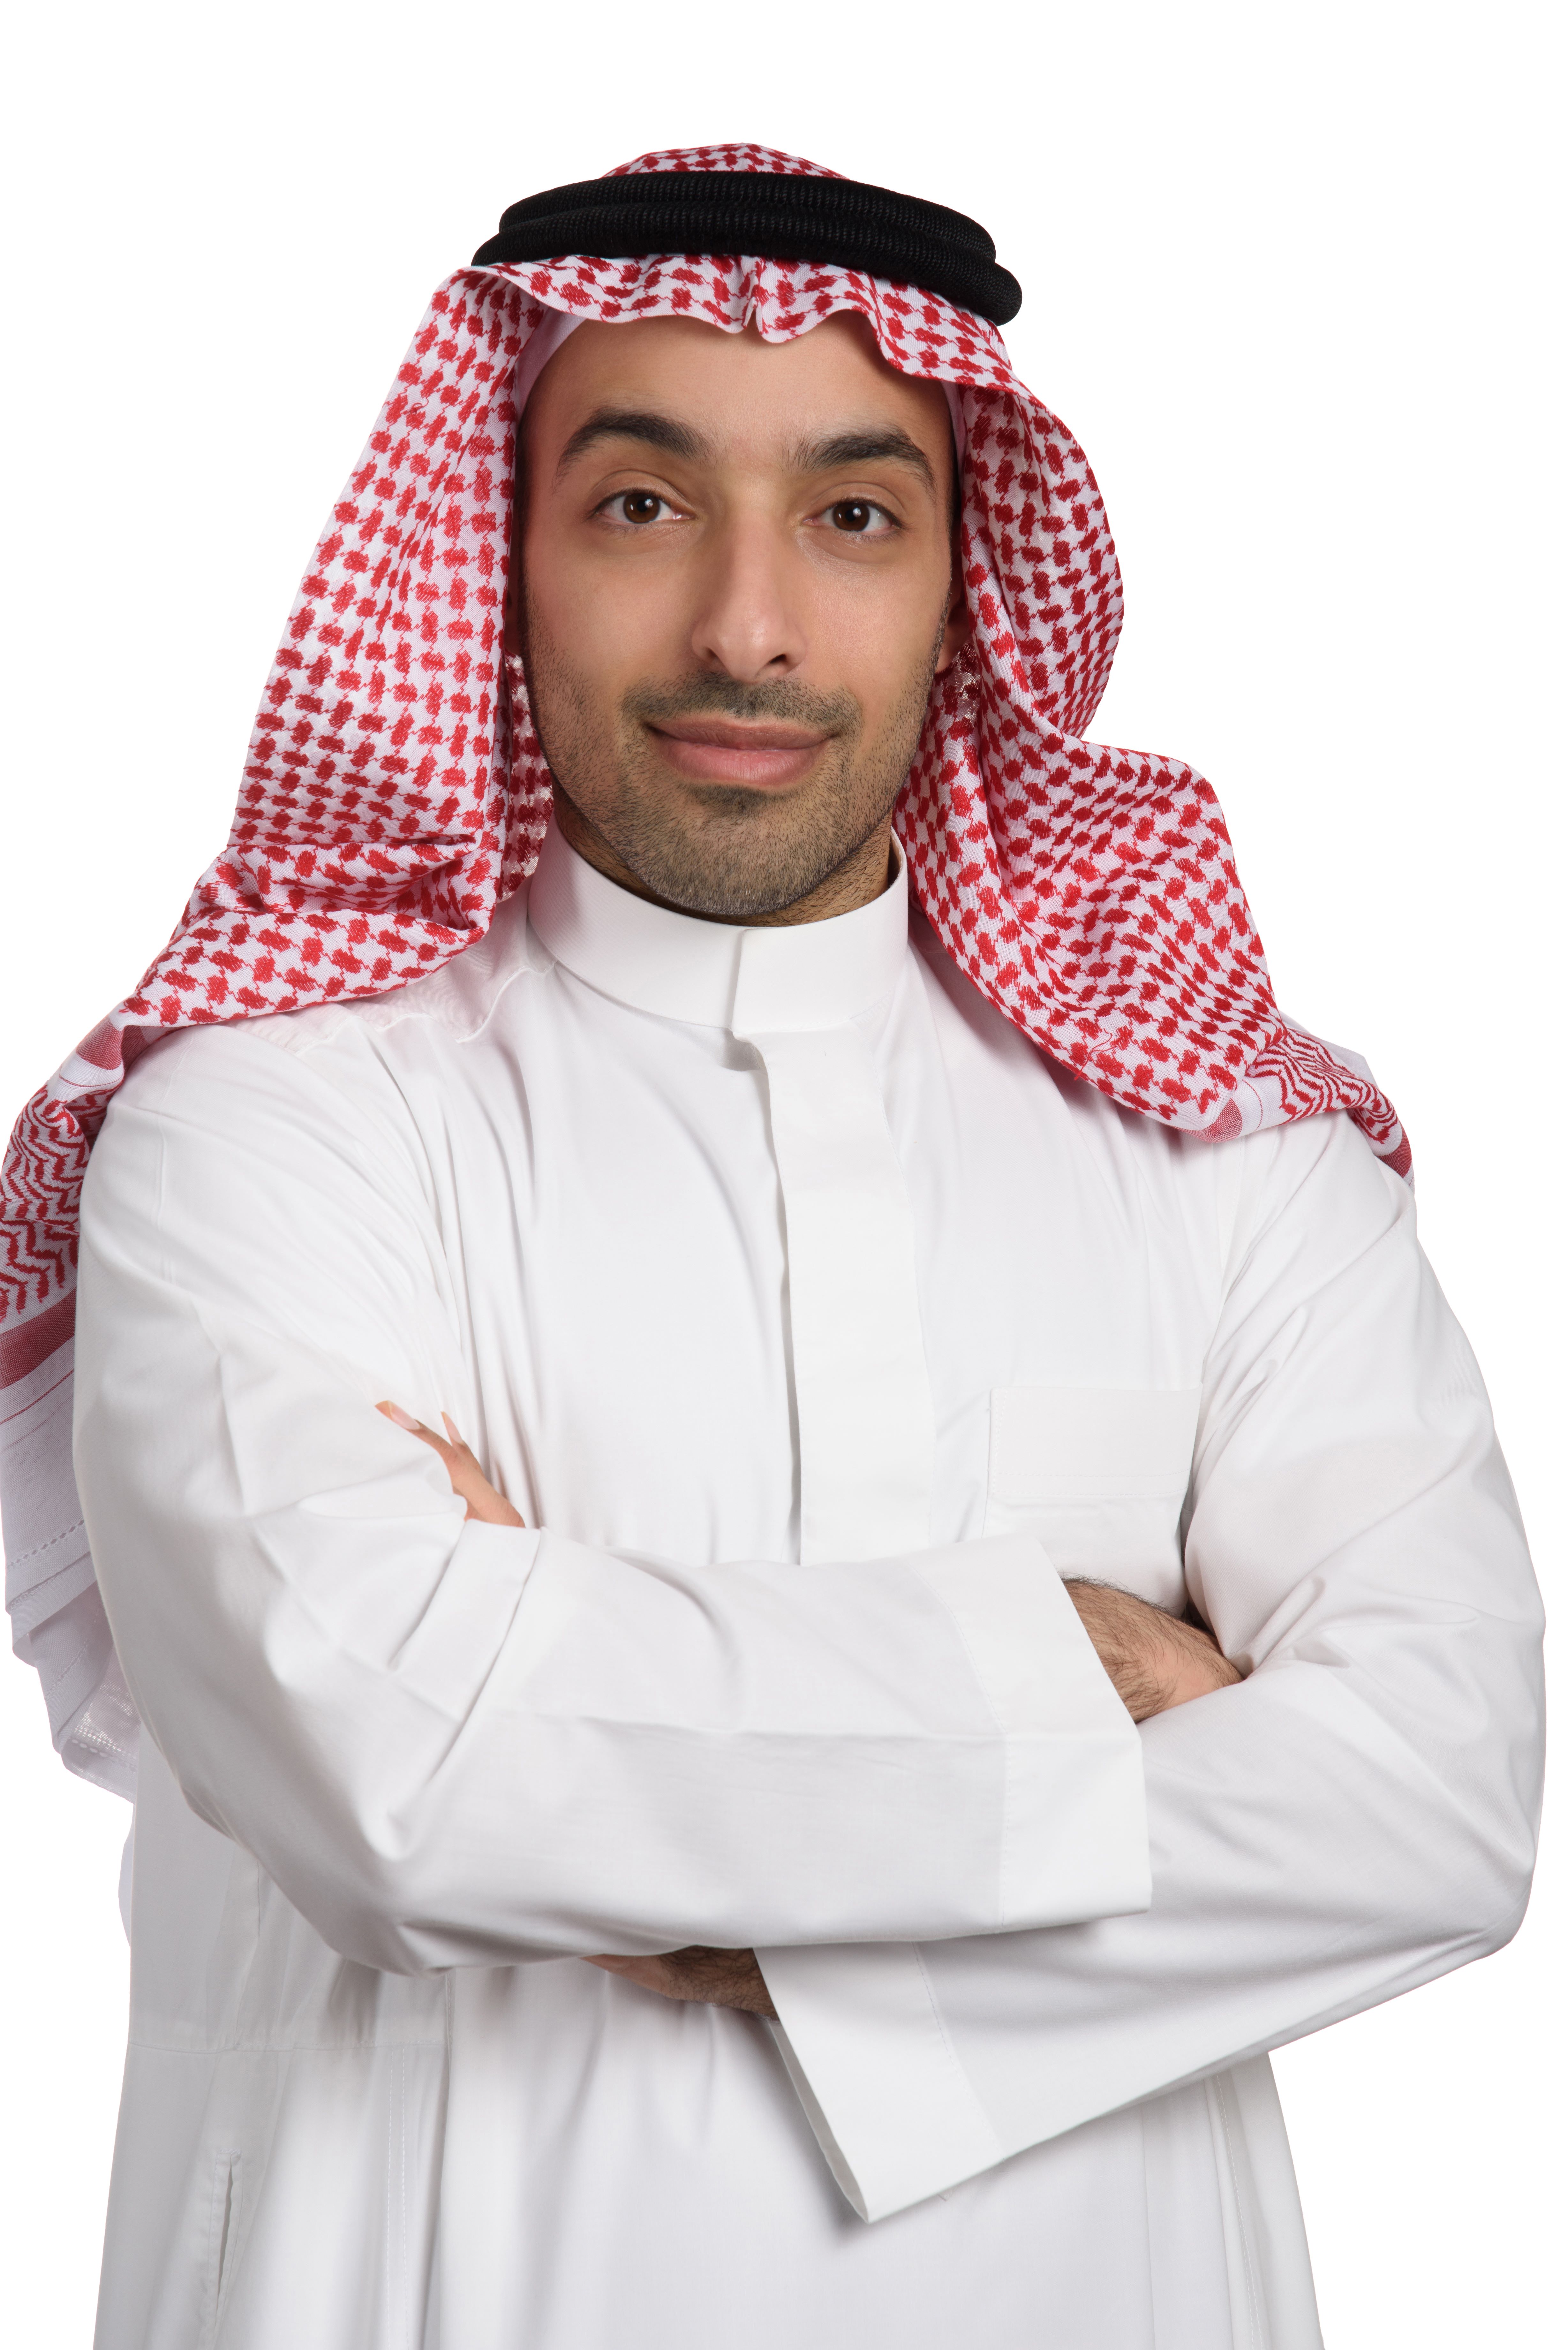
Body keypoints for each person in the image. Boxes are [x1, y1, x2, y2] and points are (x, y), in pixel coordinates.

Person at [0, 143, 1543, 2350]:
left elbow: (1441, 1798)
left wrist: (624, 1760)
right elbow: (388, 1764)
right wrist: (1096, 1681)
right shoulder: (266, 1123)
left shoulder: (1234, 1149)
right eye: (643, 505)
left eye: (854, 515)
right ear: (501, 548)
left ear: (966, 578)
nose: (748, 626)